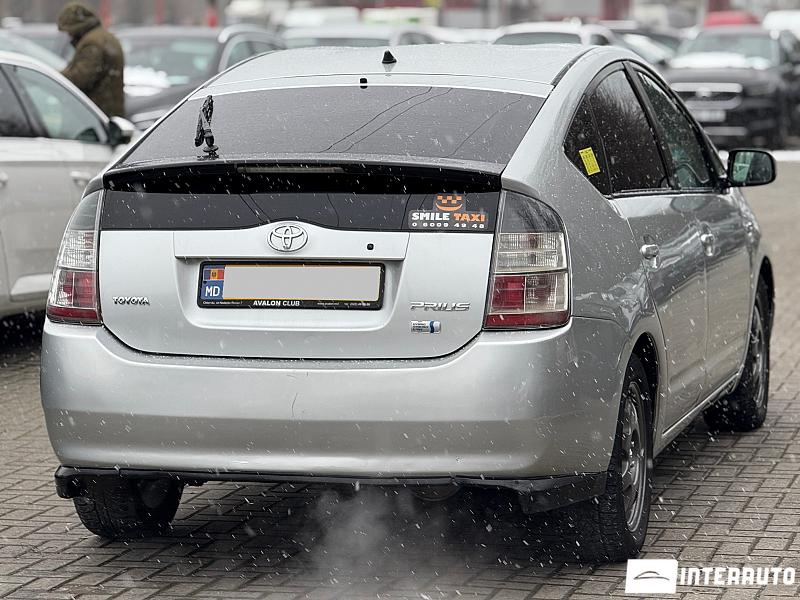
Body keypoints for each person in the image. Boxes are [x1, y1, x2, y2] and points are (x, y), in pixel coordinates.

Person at [57, 2, 124, 117]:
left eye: (68, 31)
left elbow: (80, 78)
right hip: (108, 111)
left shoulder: (92, 42)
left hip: (95, 114)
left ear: (76, 27)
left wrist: (55, 77)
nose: (68, 35)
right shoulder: (104, 37)